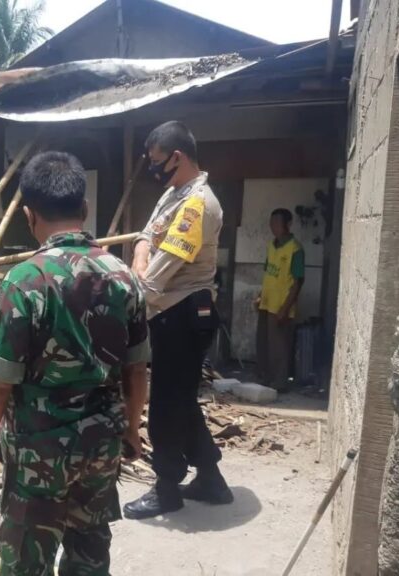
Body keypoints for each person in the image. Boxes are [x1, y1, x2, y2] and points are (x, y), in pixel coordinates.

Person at [0, 151, 150, 575]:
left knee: (28, 560)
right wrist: (132, 431)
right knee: (89, 555)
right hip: (101, 444)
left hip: (38, 456)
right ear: (83, 209)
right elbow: (137, 369)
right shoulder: (124, 278)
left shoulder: (25, 280)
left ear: (29, 215)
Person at [124, 121, 232, 520]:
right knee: (181, 400)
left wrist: (138, 275)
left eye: (157, 162)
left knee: (168, 403)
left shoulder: (197, 204)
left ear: (178, 157)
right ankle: (211, 480)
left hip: (184, 314)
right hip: (172, 310)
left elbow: (154, 277)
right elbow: (144, 237)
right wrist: (139, 255)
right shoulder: (174, 194)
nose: (154, 170)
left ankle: (166, 487)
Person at [256, 208, 305, 391]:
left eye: (277, 223)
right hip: (267, 303)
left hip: (281, 306)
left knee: (280, 348)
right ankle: (266, 379)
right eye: (271, 223)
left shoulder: (295, 249)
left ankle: (280, 383)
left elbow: (298, 282)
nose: (273, 227)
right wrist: (260, 296)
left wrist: (285, 308)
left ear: (288, 224)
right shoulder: (271, 245)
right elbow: (269, 274)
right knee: (264, 344)